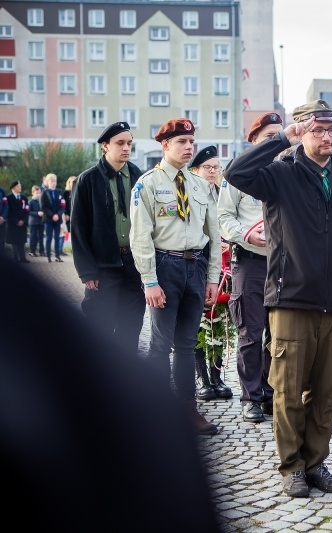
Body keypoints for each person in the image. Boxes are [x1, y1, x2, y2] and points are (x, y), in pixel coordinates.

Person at [0, 254, 222, 532]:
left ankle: (186, 405)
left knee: (152, 345)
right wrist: (92, 270)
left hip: (162, 268)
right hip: (125, 269)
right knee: (144, 345)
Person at [225, 99, 332, 498]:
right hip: (291, 300)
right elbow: (237, 172)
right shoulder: (279, 174)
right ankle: (292, 466)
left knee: (326, 395)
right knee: (287, 392)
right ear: (302, 131)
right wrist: (282, 138)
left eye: (330, 129)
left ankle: (317, 463)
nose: (326, 137)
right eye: (317, 129)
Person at [130, 118, 222, 436]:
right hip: (164, 265)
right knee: (160, 344)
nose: (188, 147)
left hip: (195, 267)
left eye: (191, 142)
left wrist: (212, 278)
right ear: (165, 145)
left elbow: (214, 234)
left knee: (186, 344)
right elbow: (140, 235)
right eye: (181, 142)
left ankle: (187, 409)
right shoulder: (148, 184)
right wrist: (149, 280)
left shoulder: (200, 185)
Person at [218, 111, 283, 423]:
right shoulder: (238, 174)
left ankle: (272, 394)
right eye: (270, 137)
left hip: (283, 265)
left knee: (280, 335)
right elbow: (223, 215)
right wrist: (244, 233)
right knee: (250, 334)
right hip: (251, 263)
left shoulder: (287, 170)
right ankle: (251, 398)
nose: (277, 142)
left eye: (280, 136)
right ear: (255, 141)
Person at [71, 121, 146, 356]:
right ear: (105, 146)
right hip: (103, 268)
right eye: (120, 143)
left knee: (130, 328)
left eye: (129, 143)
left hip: (134, 267)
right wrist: (87, 271)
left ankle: (124, 384)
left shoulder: (139, 177)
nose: (126, 148)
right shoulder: (88, 180)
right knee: (100, 329)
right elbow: (78, 228)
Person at [189, 145, 234, 402]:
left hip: (223, 265)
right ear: (196, 170)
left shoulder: (221, 193)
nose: (213, 172)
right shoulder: (190, 192)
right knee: (197, 324)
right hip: (197, 264)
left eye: (217, 168)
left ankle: (217, 377)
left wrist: (228, 241)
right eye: (208, 168)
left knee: (218, 323)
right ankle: (202, 379)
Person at [40, 173, 65, 262]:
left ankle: (57, 256)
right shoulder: (44, 192)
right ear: (48, 182)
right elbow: (43, 206)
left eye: (55, 181)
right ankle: (48, 256)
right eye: (52, 181)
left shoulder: (59, 192)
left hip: (57, 219)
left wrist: (58, 215)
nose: (54, 183)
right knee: (49, 237)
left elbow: (63, 205)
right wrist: (52, 215)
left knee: (57, 238)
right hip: (48, 219)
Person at [5, 181, 29, 263]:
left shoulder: (24, 198)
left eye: (20, 186)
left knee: (21, 241)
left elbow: (27, 210)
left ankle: (23, 258)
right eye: (18, 186)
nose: (20, 187)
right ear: (13, 187)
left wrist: (23, 220)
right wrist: (16, 221)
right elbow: (8, 211)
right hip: (13, 223)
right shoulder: (8, 198)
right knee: (14, 241)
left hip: (22, 223)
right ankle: (15, 258)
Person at [27, 185, 44, 257]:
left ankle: (42, 251)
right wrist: (37, 213)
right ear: (33, 193)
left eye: (39, 193)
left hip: (41, 222)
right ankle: (32, 251)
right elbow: (28, 211)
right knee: (33, 236)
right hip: (33, 222)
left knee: (41, 237)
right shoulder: (30, 202)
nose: (39, 194)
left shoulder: (41, 201)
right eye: (37, 193)